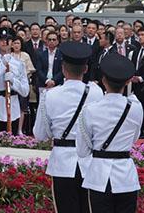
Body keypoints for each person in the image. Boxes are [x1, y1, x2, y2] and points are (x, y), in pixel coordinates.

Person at [33, 41, 98, 213]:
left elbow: (40, 134)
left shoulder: (51, 95)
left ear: (62, 68)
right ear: (85, 69)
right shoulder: (96, 92)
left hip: (62, 161)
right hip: (89, 162)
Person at [77, 54, 143, 213]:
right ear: (127, 81)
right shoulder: (136, 107)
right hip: (125, 176)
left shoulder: (90, 110)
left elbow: (82, 151)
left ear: (103, 80)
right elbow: (134, 138)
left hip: (99, 176)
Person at [0, 28, 28, 133]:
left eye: (8, 40)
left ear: (12, 43)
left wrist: (13, 81)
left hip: (13, 107)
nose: (5, 42)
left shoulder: (19, 64)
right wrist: (2, 66)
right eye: (2, 40)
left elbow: (25, 91)